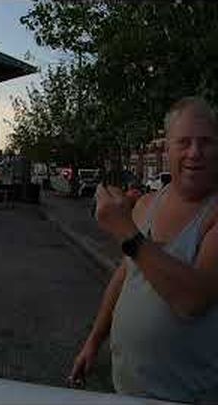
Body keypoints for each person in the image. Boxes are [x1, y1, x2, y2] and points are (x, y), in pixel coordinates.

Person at [70, 97, 218, 402]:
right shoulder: (147, 204)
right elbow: (125, 276)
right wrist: (93, 341)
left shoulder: (213, 214)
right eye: (184, 142)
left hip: (186, 395)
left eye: (206, 142)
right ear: (167, 149)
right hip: (125, 387)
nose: (195, 152)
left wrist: (125, 231)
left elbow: (192, 300)